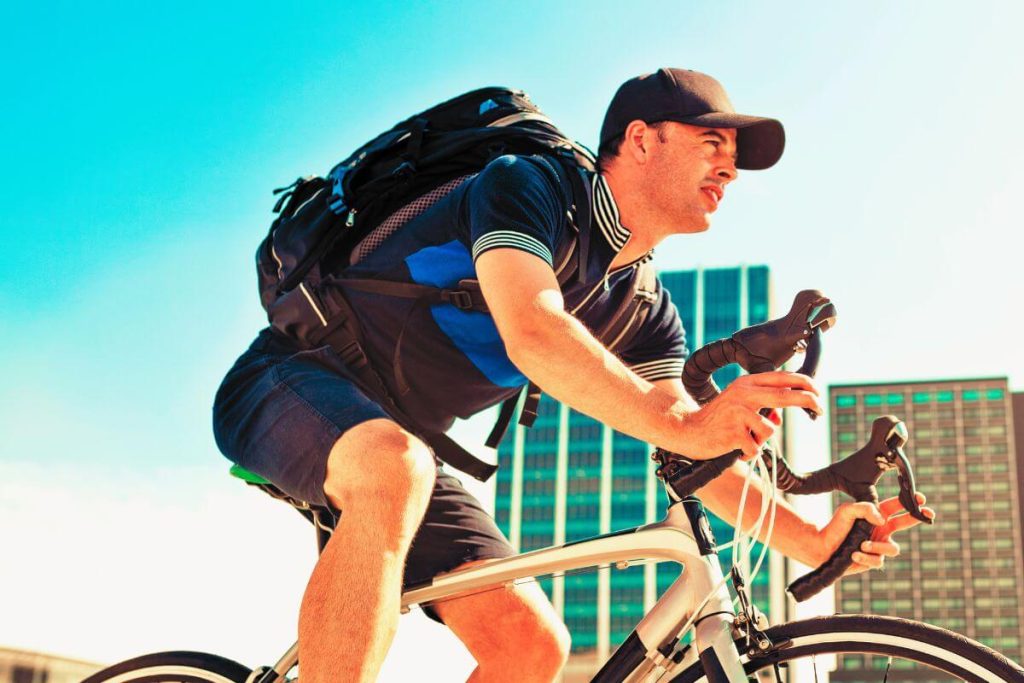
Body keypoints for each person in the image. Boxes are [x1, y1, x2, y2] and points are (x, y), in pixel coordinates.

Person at [213, 68, 934, 683]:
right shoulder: (530, 187)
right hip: (286, 381)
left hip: (403, 449)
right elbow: (533, 330)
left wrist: (811, 538)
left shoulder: (645, 310)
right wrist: (686, 420)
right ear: (641, 139)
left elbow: (696, 454)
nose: (730, 169)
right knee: (393, 467)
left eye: (735, 156)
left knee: (532, 647)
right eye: (712, 143)